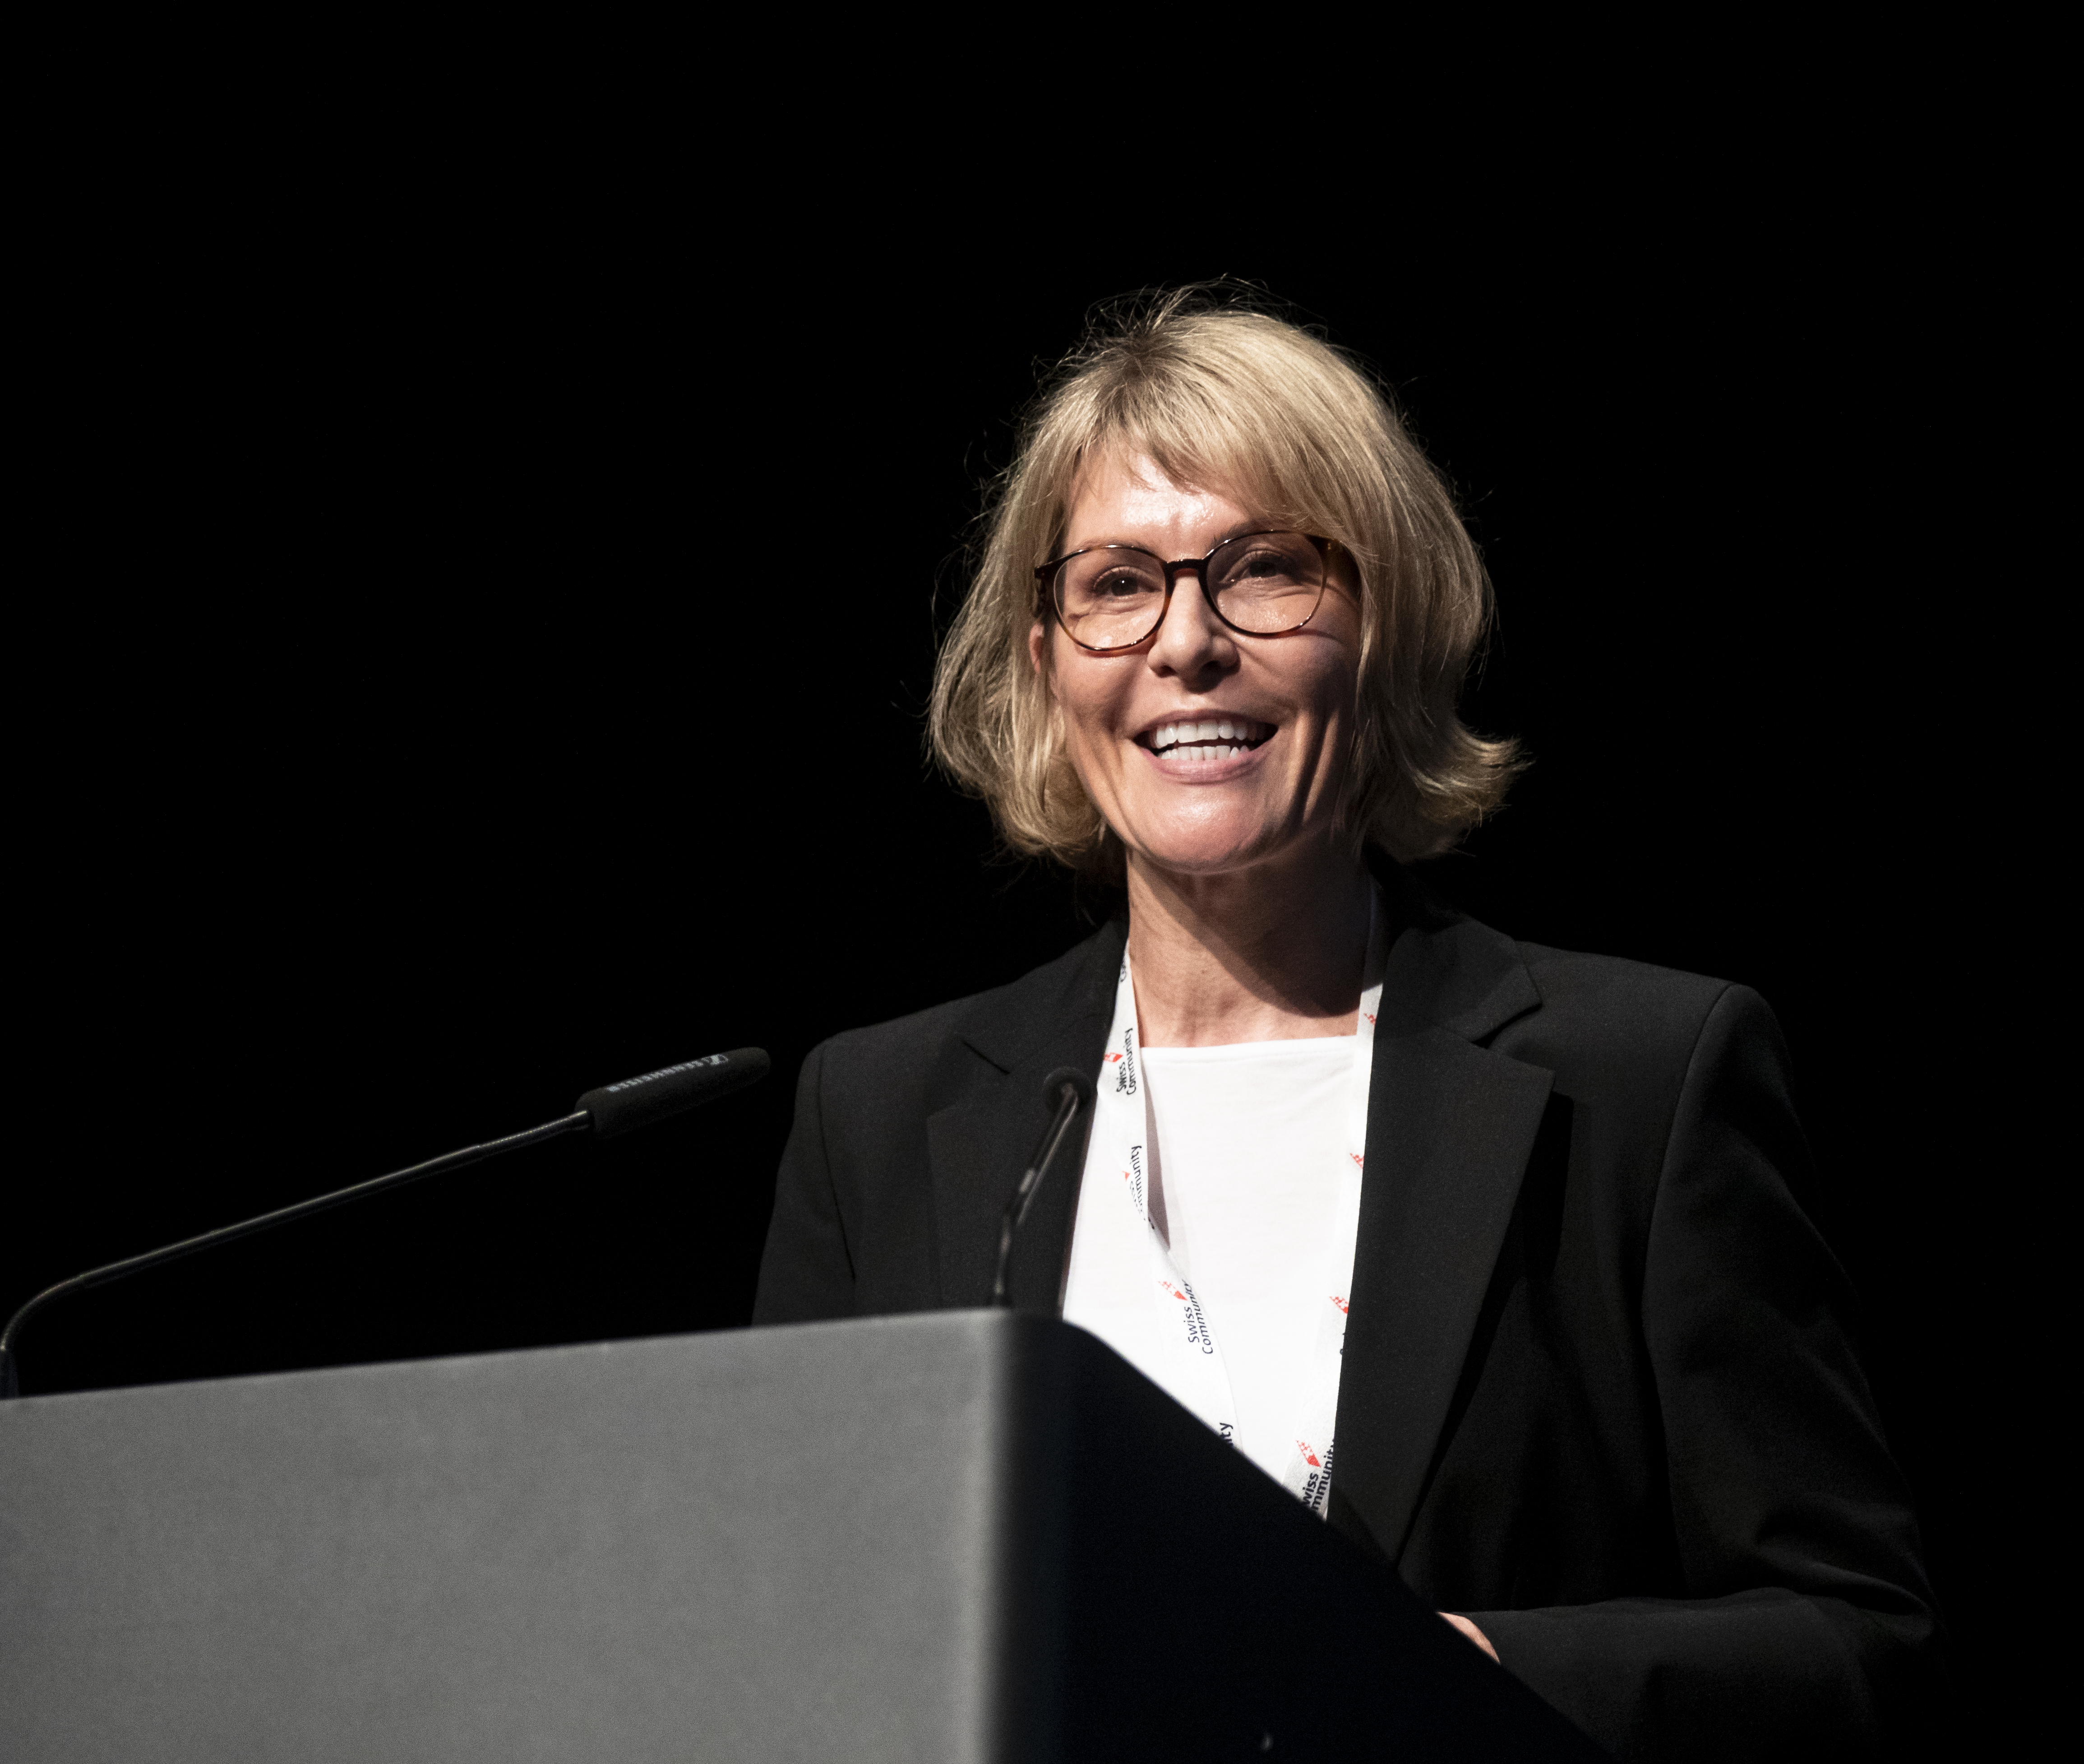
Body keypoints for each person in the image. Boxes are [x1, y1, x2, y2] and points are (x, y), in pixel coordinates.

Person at [753, 290, 1941, 1755]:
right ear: (1046, 659)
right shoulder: (882, 1117)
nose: (1185, 644)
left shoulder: (1640, 1084)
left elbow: (1853, 1643)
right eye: (1117, 584)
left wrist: (1457, 1676)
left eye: (1264, 571)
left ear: (1385, 627)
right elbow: (783, 1638)